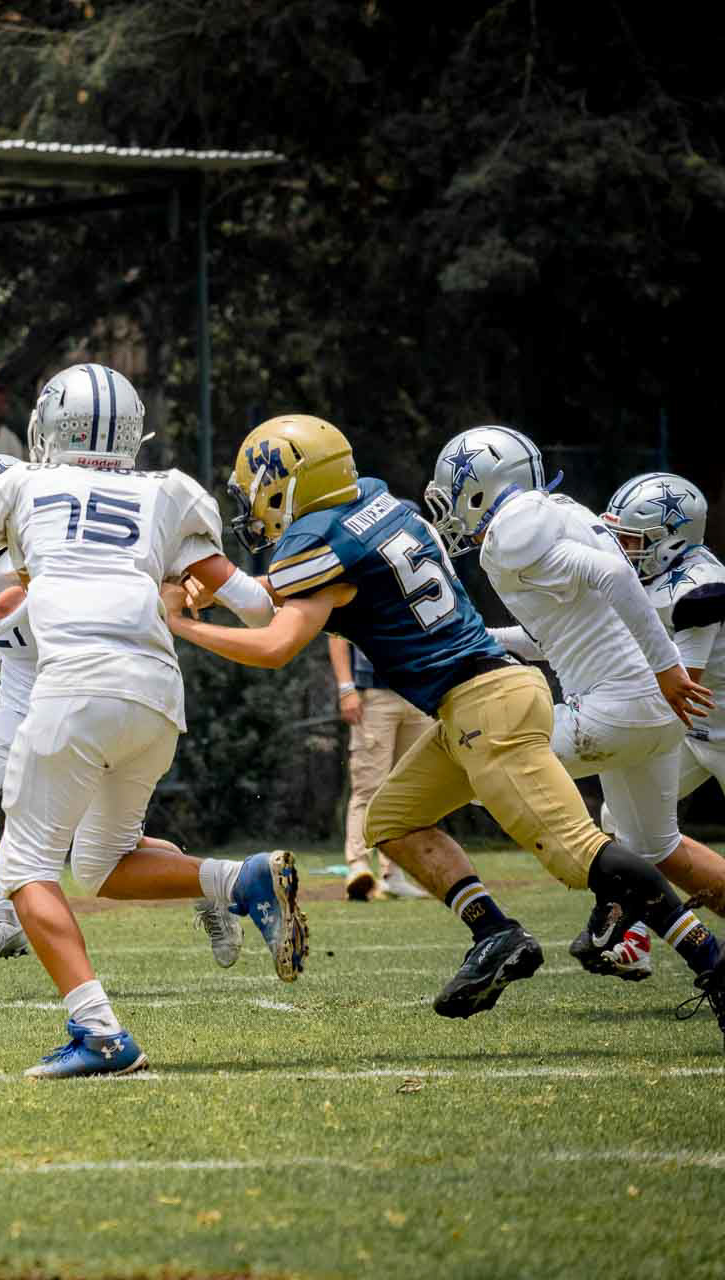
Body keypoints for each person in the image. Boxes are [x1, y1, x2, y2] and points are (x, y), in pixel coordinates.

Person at [166, 414, 722, 1044]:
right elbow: (292, 592)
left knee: (581, 856)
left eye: (260, 491)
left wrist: (182, 626)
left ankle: (713, 962)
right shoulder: (378, 506)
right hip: (479, 702)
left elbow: (275, 643)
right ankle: (495, 934)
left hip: (488, 708)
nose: (256, 507)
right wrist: (221, 588)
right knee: (391, 820)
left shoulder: (322, 540)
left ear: (288, 485)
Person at [0, 365, 302, 1078]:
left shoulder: (22, 485)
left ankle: (99, 1032)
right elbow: (256, 606)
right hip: (155, 696)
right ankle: (240, 881)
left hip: (75, 688)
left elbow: (16, 583)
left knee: (24, 868)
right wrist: (189, 585)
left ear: (48, 427)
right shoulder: (167, 492)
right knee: (100, 863)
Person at [0, 449, 260, 972]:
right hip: (22, 704)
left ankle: (206, 886)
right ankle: (1, 919)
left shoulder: (42, 548)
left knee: (108, 850)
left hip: (72, 699)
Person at [426, 432, 725, 1008]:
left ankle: (511, 931)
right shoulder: (556, 513)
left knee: (484, 766)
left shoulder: (513, 530)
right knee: (654, 848)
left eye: (455, 492)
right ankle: (699, 952)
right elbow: (555, 636)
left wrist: (666, 668)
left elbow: (614, 577)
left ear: (480, 489)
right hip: (652, 718)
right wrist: (478, 638)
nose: (450, 508)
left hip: (618, 708)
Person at [606, 471, 725, 970]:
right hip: (694, 729)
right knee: (621, 821)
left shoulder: (700, 588)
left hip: (703, 719)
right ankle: (634, 935)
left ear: (672, 539)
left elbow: (682, 685)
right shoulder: (649, 580)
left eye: (633, 539)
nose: (622, 548)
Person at [329, 636, 435, 900]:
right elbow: (335, 635)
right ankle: (359, 868)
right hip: (374, 695)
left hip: (418, 692)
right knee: (369, 788)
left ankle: (394, 875)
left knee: (408, 792)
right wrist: (346, 689)